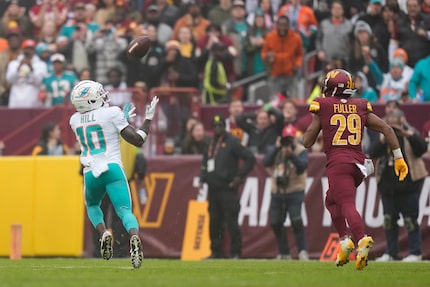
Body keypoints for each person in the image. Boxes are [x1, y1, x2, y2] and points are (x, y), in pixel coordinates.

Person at [303, 68, 409, 270]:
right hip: (358, 165)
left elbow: (307, 141)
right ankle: (345, 241)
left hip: (339, 163)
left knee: (345, 203)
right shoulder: (359, 106)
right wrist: (399, 158)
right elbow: (387, 128)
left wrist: (315, 127)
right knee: (331, 200)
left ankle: (361, 240)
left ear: (331, 88)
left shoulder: (324, 105)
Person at [69, 80, 159, 269]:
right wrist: (148, 119)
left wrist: (119, 120)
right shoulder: (112, 113)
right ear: (91, 100)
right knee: (124, 211)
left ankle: (103, 234)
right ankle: (134, 237)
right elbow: (138, 140)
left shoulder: (74, 120)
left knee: (92, 205)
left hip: (91, 172)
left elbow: (98, 126)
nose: (103, 97)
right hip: (112, 169)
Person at [369, 110, 427, 262]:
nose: (393, 126)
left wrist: (406, 134)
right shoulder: (383, 135)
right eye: (390, 122)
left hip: (408, 185)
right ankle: (391, 252)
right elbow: (371, 153)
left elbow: (422, 149)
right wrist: (383, 138)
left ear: (402, 120)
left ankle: (415, 252)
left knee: (410, 220)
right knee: (388, 221)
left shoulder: (410, 133)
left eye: (395, 121)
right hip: (388, 186)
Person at [200, 114, 256, 259]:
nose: (217, 128)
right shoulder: (210, 143)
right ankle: (216, 252)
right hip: (213, 189)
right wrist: (203, 176)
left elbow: (250, 158)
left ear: (224, 127)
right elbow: (205, 162)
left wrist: (239, 177)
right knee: (214, 222)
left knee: (231, 222)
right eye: (215, 126)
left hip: (228, 188)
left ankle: (236, 252)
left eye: (220, 126)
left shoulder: (233, 142)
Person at [263, 124, 309, 260]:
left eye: (291, 138)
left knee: (296, 221)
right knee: (276, 222)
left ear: (295, 138)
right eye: (286, 138)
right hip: (277, 191)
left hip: (295, 190)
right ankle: (284, 252)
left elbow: (302, 166)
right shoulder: (277, 149)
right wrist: (277, 147)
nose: (288, 141)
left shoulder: (300, 150)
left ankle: (302, 251)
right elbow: (266, 162)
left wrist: (291, 155)